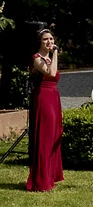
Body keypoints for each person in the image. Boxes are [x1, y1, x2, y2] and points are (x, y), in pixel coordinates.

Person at [26, 28, 64, 193]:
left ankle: (50, 175)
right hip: (43, 98)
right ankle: (41, 180)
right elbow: (51, 72)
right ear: (40, 42)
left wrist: (53, 56)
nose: (50, 42)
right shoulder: (36, 58)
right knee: (45, 138)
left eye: (51, 39)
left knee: (54, 135)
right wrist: (55, 54)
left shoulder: (49, 58)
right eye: (46, 39)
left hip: (54, 97)